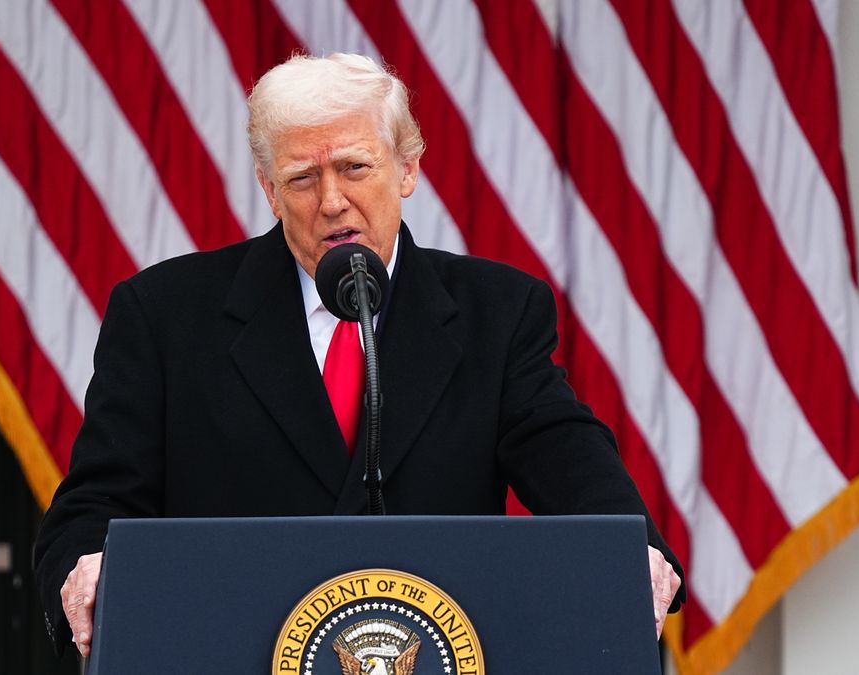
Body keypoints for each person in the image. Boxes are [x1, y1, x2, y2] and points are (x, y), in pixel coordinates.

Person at [34, 53, 684, 659]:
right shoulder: (165, 315)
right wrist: (86, 564)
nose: (331, 201)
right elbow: (92, 505)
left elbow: (567, 459)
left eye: (353, 167)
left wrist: (630, 548)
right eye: (302, 177)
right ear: (267, 187)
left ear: (407, 168)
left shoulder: (498, 314)